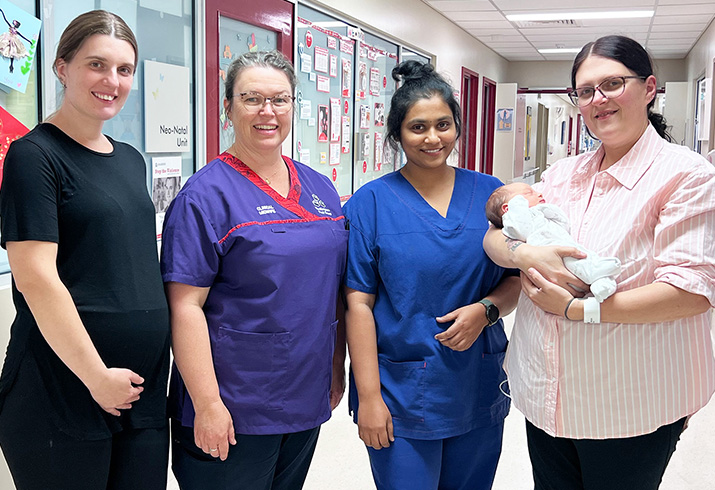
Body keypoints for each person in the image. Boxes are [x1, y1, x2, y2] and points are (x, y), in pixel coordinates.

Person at [484, 35, 715, 490]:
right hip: (546, 395)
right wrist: (524, 252)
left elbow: (691, 291)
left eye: (612, 84)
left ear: (649, 88)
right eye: (586, 91)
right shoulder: (562, 173)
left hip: (628, 404)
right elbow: (494, 235)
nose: (598, 100)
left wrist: (577, 309)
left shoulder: (687, 176)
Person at [160, 50, 347, 490]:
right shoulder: (204, 197)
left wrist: (335, 367)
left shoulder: (320, 187)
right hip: (233, 402)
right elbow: (185, 307)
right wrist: (207, 405)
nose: (268, 112)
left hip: (304, 391)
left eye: (280, 100)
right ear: (228, 108)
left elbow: (331, 289)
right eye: (251, 98)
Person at [0, 10, 170, 490]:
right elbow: (35, 277)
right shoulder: (34, 156)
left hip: (141, 391)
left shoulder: (130, 159)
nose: (111, 81)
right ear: (61, 68)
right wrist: (96, 376)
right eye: (96, 64)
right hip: (65, 386)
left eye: (124, 69)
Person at [344, 60, 521, 490]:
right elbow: (357, 305)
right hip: (400, 392)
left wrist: (487, 311)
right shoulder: (370, 204)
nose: (432, 138)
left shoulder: (490, 194)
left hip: (476, 383)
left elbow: (515, 278)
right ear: (397, 134)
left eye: (443, 124)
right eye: (417, 127)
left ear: (457, 127)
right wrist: (369, 398)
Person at [486, 182, 621, 302]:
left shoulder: (540, 213)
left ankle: (602, 281)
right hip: (546, 248)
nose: (539, 193)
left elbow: (563, 222)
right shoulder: (514, 219)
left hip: (563, 242)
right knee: (572, 264)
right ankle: (597, 274)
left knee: (581, 255)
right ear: (507, 208)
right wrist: (517, 207)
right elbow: (518, 231)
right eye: (528, 193)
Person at [0, 8, 31, 73]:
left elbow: (22, 36)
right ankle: (11, 66)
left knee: (12, 53)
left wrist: (29, 41)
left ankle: (11, 66)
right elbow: (5, 19)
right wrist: (2, 12)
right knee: (4, 47)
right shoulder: (11, 27)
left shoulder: (16, 31)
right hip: (7, 39)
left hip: (13, 41)